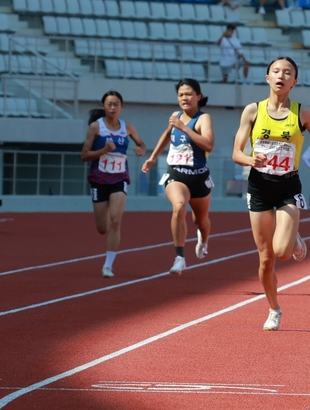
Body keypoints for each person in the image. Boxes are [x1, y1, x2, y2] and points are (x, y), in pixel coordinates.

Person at [232, 57, 310, 331]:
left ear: (294, 82)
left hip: (288, 186)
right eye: (276, 71)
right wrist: (249, 159)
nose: (281, 76)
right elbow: (236, 152)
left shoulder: (303, 113)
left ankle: (293, 237)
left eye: (287, 73)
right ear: (267, 78)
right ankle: (274, 308)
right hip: (259, 187)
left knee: (283, 253)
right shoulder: (253, 111)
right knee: (266, 259)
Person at [141, 79, 216, 275]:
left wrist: (184, 128)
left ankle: (204, 239)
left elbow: (208, 145)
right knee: (179, 205)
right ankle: (180, 257)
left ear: (198, 96)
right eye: (181, 94)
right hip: (176, 174)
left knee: (201, 222)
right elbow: (167, 135)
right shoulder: (175, 116)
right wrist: (152, 157)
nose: (184, 98)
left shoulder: (203, 118)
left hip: (199, 177)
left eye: (189, 94)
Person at [79, 91, 147, 278]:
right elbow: (84, 155)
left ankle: (108, 265)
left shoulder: (128, 127)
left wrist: (140, 150)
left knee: (116, 220)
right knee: (103, 228)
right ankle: (107, 218)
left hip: (119, 178)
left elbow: (142, 144)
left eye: (116, 104)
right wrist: (103, 150)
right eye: (109, 104)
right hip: (99, 179)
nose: (112, 107)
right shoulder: (95, 127)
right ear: (103, 106)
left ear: (121, 107)